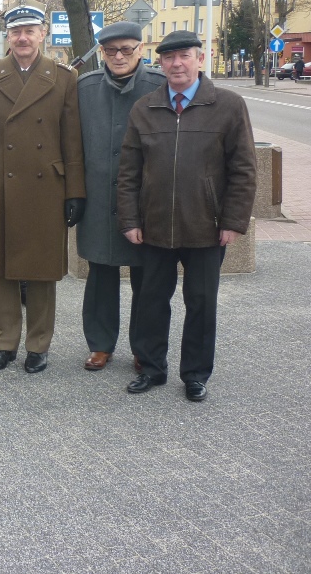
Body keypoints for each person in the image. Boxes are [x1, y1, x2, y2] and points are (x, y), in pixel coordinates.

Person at [118, 30, 256, 402]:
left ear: (200, 59)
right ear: (159, 64)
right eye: (169, 58)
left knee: (201, 302)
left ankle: (195, 374)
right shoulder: (144, 108)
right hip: (154, 226)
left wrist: (233, 221)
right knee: (150, 300)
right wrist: (130, 220)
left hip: (206, 227)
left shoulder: (228, 105)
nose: (177, 64)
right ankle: (151, 367)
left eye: (185, 56)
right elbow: (129, 171)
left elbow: (244, 169)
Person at [0, 5, 86, 374]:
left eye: (30, 31)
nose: (22, 38)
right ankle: (4, 345)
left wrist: (75, 191)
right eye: (16, 31)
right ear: (8, 36)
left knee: (41, 270)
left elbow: (72, 141)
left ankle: (38, 346)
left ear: (43, 34)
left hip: (46, 186)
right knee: (1, 270)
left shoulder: (64, 77)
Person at [75, 22, 165, 371]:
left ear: (140, 50)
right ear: (101, 53)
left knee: (147, 278)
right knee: (100, 275)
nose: (118, 56)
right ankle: (100, 344)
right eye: (110, 51)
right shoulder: (84, 87)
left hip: (146, 199)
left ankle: (144, 347)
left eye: (126, 49)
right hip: (97, 197)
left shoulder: (158, 85)